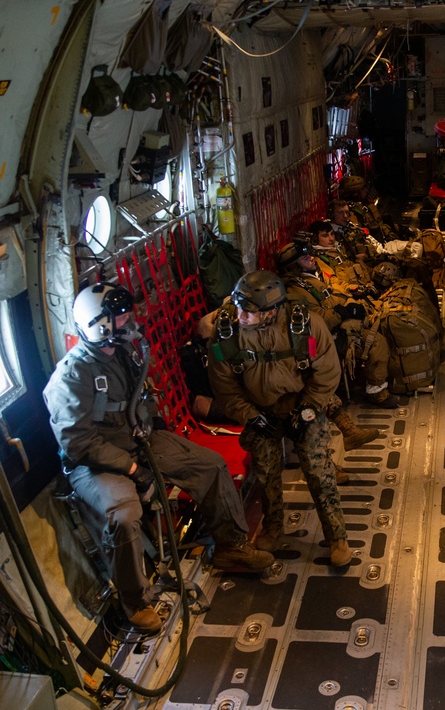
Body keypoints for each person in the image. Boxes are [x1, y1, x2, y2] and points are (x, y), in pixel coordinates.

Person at [43, 283, 274, 634]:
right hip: (97, 463)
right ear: (99, 324)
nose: (130, 321)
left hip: (140, 441)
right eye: (122, 317)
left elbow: (140, 397)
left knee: (209, 465)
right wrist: (132, 469)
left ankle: (231, 546)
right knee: (125, 515)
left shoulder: (122, 354)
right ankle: (135, 601)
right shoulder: (71, 377)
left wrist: (155, 427)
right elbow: (78, 443)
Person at [205, 271, 353, 565]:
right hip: (260, 410)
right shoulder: (227, 334)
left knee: (318, 469)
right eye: (239, 308)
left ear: (271, 311)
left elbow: (326, 372)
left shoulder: (306, 328)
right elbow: (224, 385)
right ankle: (273, 526)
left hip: (302, 404)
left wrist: (309, 410)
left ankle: (337, 536)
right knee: (266, 471)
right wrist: (251, 416)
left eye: (248, 311)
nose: (240, 315)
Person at [277, 238, 399, 408]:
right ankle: (376, 391)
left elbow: (333, 291)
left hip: (343, 320)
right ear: (294, 267)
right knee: (376, 343)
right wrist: (344, 312)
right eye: (305, 259)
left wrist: (354, 295)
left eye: (310, 255)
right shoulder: (296, 291)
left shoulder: (313, 278)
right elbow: (317, 321)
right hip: (330, 336)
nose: (312, 258)